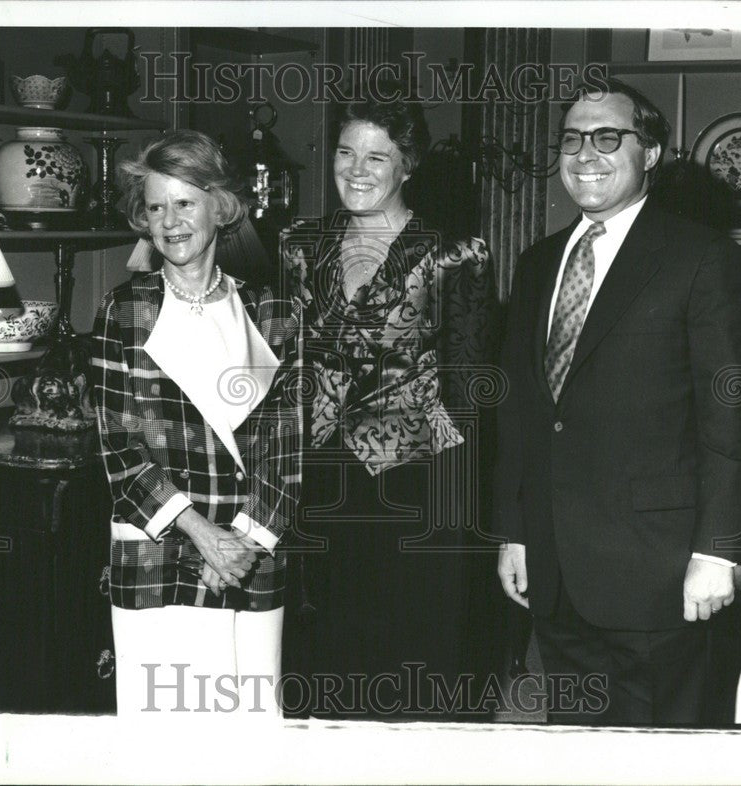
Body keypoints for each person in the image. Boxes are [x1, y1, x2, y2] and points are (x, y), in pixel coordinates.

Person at [494, 79, 741, 726]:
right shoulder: (537, 264)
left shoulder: (700, 257)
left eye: (609, 137)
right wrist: (514, 532)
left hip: (658, 572)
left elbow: (735, 417)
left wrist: (720, 551)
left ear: (653, 152)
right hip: (556, 570)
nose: (587, 153)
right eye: (572, 139)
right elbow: (523, 416)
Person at [282, 91, 497, 720]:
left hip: (416, 478)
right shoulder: (300, 245)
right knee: (324, 643)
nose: (357, 170)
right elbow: (287, 360)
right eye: (346, 152)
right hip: (317, 470)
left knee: (412, 649)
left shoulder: (456, 254)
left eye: (378, 157)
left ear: (408, 166)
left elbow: (469, 386)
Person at [92, 130, 303, 717]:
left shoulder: (272, 311)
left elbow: (286, 449)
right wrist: (203, 537)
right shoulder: (124, 310)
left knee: (251, 732)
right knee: (162, 740)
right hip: (157, 549)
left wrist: (243, 543)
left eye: (184, 203)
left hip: (251, 553)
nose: (170, 222)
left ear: (220, 205)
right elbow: (121, 452)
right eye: (156, 207)